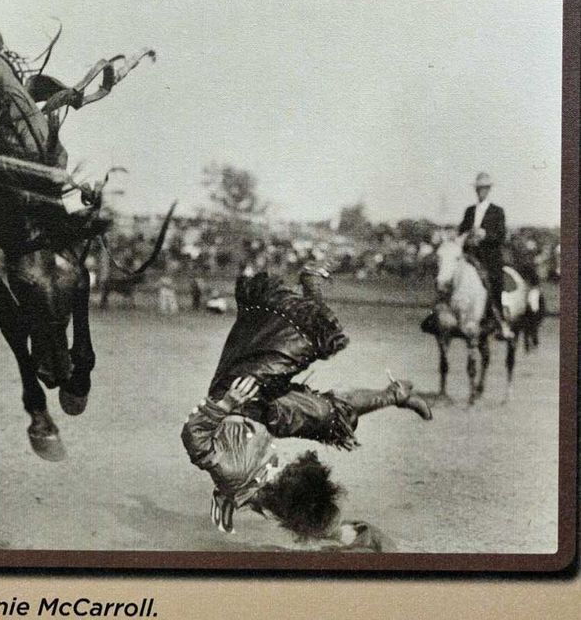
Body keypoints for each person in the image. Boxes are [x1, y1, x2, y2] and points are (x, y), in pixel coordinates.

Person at [181, 271, 432, 550]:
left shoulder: (233, 471)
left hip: (239, 391)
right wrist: (350, 535)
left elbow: (193, 435)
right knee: (330, 415)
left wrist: (226, 404)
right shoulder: (265, 490)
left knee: (306, 334)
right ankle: (394, 395)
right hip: (269, 417)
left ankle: (310, 281)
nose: (287, 461)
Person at [457, 172, 513, 340]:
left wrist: (485, 234)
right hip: (470, 256)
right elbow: (461, 230)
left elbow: (501, 235)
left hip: (489, 257)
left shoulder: (497, 211)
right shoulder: (469, 211)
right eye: (478, 189)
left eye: (484, 189)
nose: (481, 191)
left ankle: (500, 322)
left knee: (494, 282)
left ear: (488, 190)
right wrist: (467, 235)